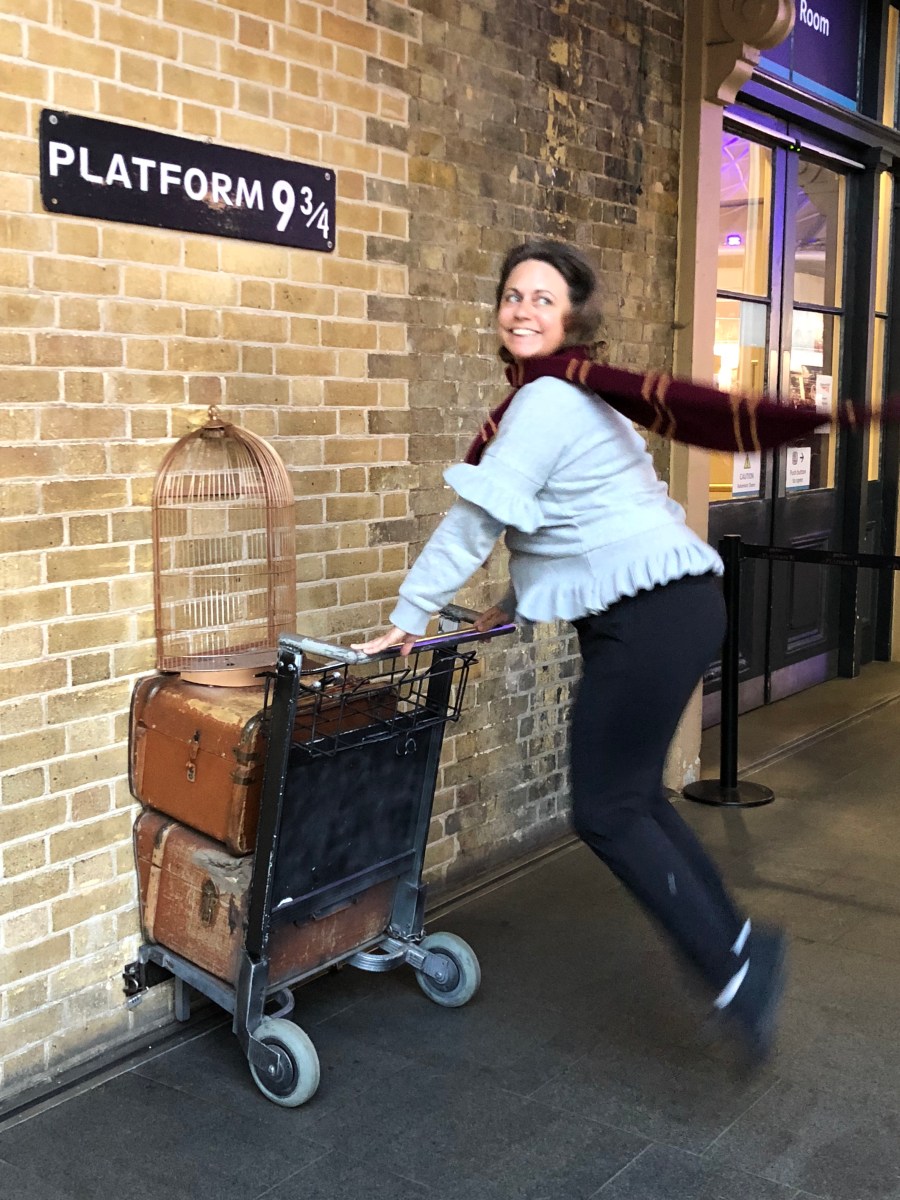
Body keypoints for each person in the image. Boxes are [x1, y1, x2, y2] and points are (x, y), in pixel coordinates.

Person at [353, 238, 786, 1061]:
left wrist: (411, 614)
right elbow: (578, 526)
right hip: (672, 608)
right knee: (637, 800)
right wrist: (506, 605)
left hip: (653, 616)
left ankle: (734, 968)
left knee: (606, 809)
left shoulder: (546, 402)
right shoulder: (563, 396)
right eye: (512, 294)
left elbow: (478, 520)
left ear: (572, 318)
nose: (521, 308)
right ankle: (740, 947)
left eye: (542, 298)